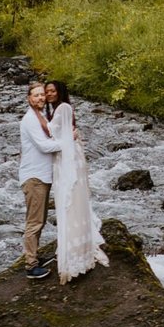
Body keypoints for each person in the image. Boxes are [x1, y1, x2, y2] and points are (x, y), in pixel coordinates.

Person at [38, 81, 109, 284]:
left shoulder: (63, 107)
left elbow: (50, 130)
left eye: (52, 91)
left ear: (60, 92)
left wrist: (35, 114)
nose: (48, 94)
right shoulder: (58, 110)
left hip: (69, 159)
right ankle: (74, 245)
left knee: (70, 197)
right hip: (66, 156)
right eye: (46, 91)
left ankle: (77, 249)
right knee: (69, 199)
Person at [19, 83, 61, 280]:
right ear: (29, 98)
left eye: (42, 95)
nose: (40, 98)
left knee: (40, 220)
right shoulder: (30, 120)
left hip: (42, 176)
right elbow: (44, 146)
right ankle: (31, 266)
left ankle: (35, 257)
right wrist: (68, 142)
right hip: (33, 176)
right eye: (36, 95)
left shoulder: (40, 116)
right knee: (34, 222)